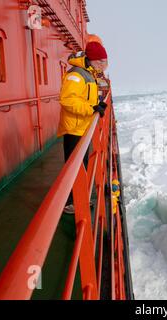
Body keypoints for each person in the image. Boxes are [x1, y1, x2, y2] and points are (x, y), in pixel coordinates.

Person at [58, 41, 109, 214]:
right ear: (92, 60)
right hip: (74, 128)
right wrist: (91, 109)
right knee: (74, 167)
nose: (104, 66)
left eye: (105, 62)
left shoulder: (88, 73)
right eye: (101, 62)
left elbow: (84, 97)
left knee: (82, 165)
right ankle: (70, 202)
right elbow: (68, 100)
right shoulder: (77, 75)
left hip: (82, 127)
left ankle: (78, 198)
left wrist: (97, 104)